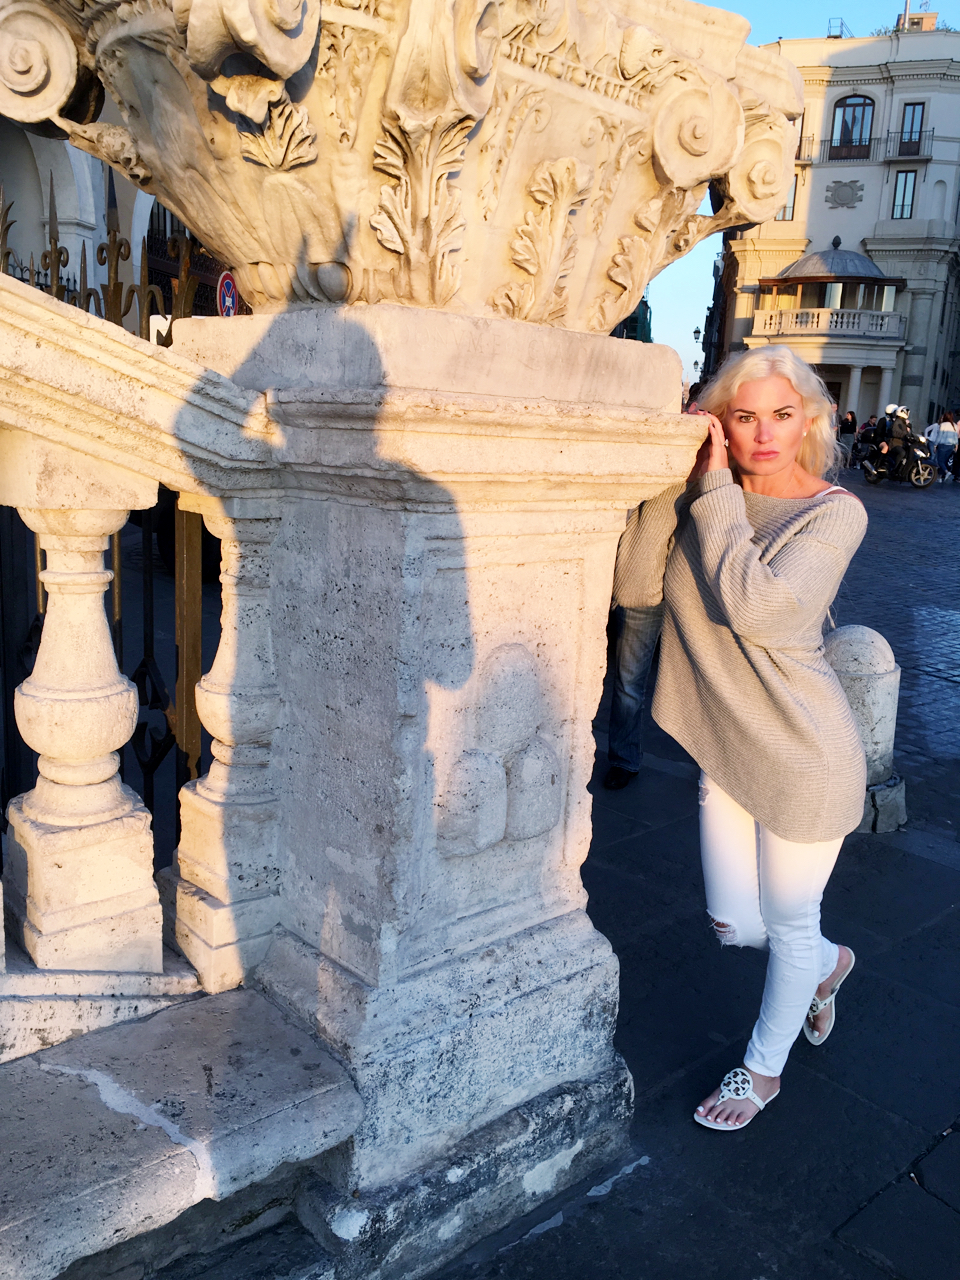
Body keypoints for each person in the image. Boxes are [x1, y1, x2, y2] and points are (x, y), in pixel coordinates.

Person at [614, 345, 867, 1130]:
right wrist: (679, 480)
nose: (763, 434)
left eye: (781, 416)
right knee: (734, 926)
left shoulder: (833, 513)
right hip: (727, 748)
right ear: (720, 424)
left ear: (809, 422)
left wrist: (716, 493)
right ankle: (828, 963)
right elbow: (635, 588)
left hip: (803, 755)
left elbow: (758, 612)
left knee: (788, 921)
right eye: (743, 417)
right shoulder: (707, 497)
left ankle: (761, 1072)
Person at [928, 411, 957, 483]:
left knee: (940, 461)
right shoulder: (954, 425)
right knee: (944, 461)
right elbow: (955, 436)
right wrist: (956, 446)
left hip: (943, 445)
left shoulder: (943, 425)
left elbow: (939, 436)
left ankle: (947, 472)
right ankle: (940, 477)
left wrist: (935, 445)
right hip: (951, 445)